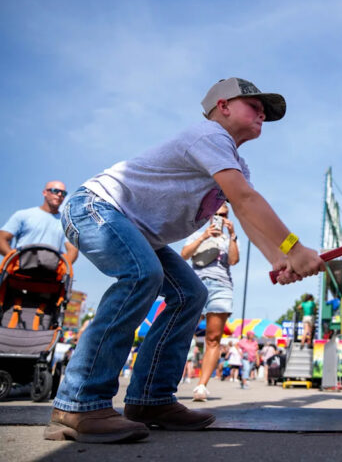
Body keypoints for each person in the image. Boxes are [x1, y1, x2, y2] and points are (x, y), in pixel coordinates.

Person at [45, 77, 325, 444]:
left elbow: (246, 215)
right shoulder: (209, 135)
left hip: (137, 230)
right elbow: (245, 200)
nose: (262, 115)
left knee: (191, 294)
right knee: (141, 275)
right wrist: (294, 247)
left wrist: (278, 259)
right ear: (222, 106)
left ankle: (150, 400)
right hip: (96, 208)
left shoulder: (236, 164)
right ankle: (78, 403)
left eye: (264, 112)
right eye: (254, 106)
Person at [180, 203, 240, 402]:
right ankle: (167, 382)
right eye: (217, 214)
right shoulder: (197, 234)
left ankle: (201, 386)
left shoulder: (229, 239)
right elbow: (184, 255)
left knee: (213, 338)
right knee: (182, 333)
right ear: (209, 215)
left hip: (221, 287)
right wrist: (204, 236)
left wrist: (233, 235)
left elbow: (234, 260)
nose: (220, 218)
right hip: (196, 284)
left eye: (224, 215)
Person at [0, 180, 78, 263]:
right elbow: (1, 238)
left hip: (50, 270)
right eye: (55, 191)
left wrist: (62, 266)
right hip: (21, 269)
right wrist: (15, 260)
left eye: (63, 193)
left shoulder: (66, 223)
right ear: (45, 193)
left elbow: (73, 249)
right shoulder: (23, 215)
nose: (59, 194)